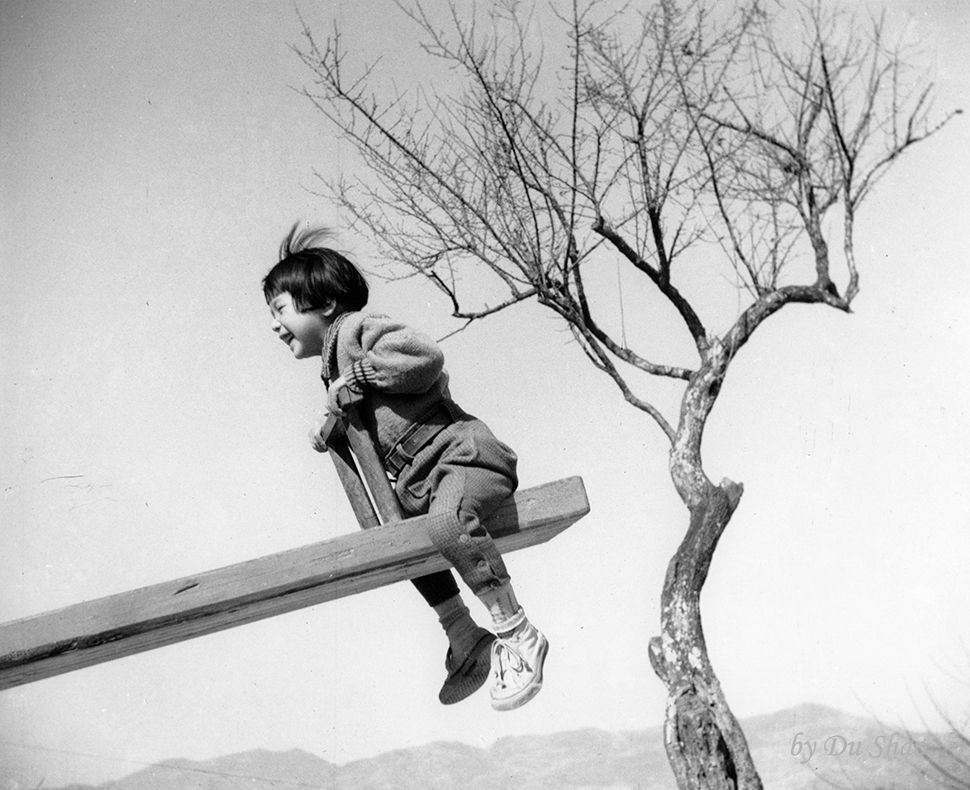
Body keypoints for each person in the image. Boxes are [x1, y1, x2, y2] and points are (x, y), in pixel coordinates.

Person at [262, 223, 548, 711]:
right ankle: (461, 631)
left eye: (280, 309)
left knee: (445, 522)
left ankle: (516, 630)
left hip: (464, 456)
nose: (274, 324)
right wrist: (330, 415)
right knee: (400, 541)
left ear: (324, 304)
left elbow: (424, 356)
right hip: (421, 484)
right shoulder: (331, 366)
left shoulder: (356, 331)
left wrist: (354, 378)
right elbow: (349, 403)